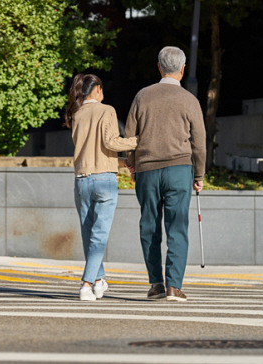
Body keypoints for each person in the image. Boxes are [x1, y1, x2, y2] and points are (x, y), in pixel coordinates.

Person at [124, 46, 206, 302]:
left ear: (159, 67)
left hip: (147, 169)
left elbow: (130, 135)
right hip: (180, 170)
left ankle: (156, 284)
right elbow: (199, 142)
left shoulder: (142, 96)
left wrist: (132, 164)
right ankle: (174, 286)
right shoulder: (189, 100)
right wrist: (199, 174)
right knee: (177, 228)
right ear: (182, 70)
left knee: (149, 226)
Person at [65, 74, 139, 301]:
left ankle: (99, 280)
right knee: (99, 235)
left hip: (81, 179)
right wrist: (138, 140)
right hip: (104, 178)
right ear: (96, 89)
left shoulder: (75, 114)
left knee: (89, 235)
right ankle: (86, 284)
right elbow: (111, 142)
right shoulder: (106, 110)